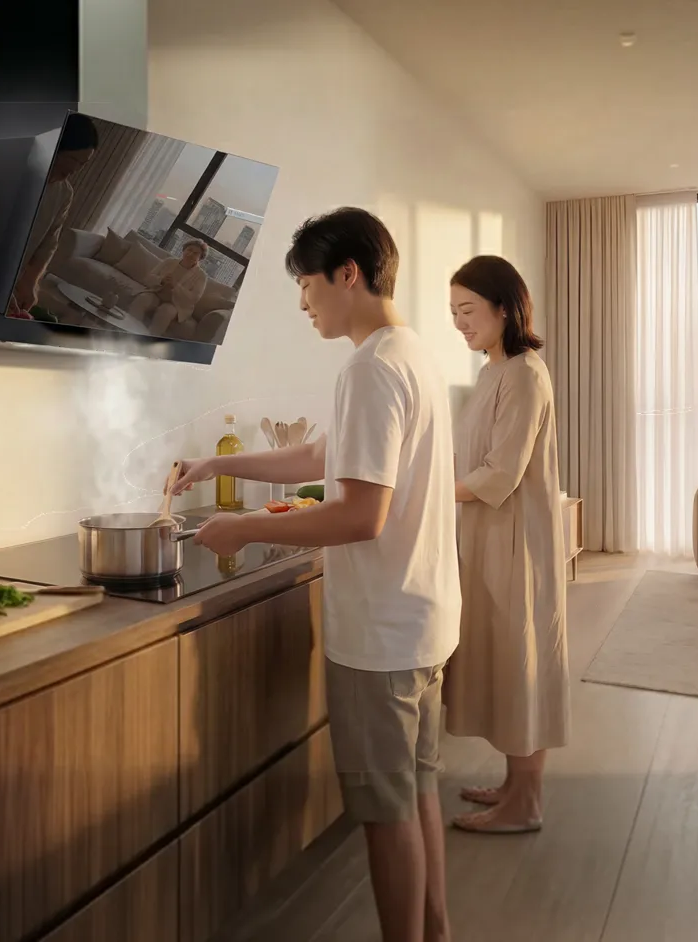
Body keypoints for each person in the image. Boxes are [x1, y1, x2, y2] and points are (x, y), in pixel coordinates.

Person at [166, 207, 459, 942]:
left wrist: (241, 527)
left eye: (306, 286)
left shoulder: (369, 368)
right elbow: (316, 460)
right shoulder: (409, 353)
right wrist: (217, 463)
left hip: (381, 639)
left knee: (386, 815)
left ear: (347, 275)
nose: (303, 304)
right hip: (423, 624)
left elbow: (360, 516)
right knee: (418, 792)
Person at [442, 255, 569, 835]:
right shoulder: (493, 368)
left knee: (521, 663)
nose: (460, 323)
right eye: (453, 313)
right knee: (504, 657)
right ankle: (516, 785)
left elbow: (501, 471)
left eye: (468, 311)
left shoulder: (524, 372)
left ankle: (527, 802)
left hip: (517, 538)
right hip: (490, 534)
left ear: (503, 307)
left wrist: (434, 498)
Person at [5, 114, 99, 320]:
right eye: (73, 159)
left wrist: (31, 282)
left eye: (82, 164)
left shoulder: (64, 193)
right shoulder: (14, 170)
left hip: (10, 279)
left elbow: (49, 242)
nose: (75, 169)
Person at [123, 241, 212, 335]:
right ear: (184, 250)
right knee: (142, 299)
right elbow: (148, 278)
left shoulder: (201, 276)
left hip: (177, 305)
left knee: (165, 312)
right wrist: (161, 280)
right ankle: (126, 332)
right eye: (189, 250)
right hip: (156, 293)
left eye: (195, 253)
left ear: (200, 258)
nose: (190, 254)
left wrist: (176, 286)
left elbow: (194, 298)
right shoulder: (169, 261)